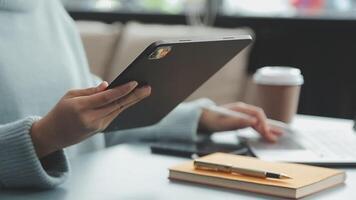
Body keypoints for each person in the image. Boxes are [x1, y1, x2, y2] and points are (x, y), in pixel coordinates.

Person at [0, 0, 282, 189]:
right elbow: (60, 131)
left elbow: (96, 125)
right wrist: (43, 137)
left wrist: (197, 117)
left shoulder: (48, 9)